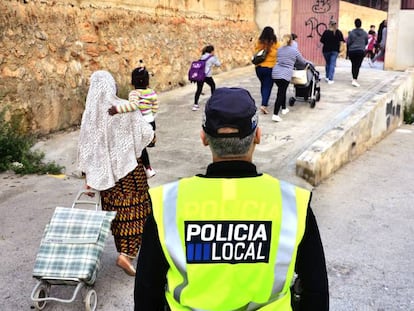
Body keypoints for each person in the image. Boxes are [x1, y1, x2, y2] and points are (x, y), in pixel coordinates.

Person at [134, 87, 329, 311]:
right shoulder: (293, 204)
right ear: (258, 135)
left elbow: (146, 295)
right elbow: (317, 292)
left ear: (204, 138)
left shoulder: (166, 204)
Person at [78, 70, 154, 277]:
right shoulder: (124, 108)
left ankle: (124, 252)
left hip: (107, 178)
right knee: (138, 210)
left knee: (116, 213)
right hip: (130, 173)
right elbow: (147, 135)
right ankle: (127, 255)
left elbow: (86, 148)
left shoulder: (89, 115)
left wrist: (89, 177)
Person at [108, 62, 158, 179]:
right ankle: (147, 165)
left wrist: (117, 109)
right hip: (150, 121)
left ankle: (148, 168)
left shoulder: (134, 94)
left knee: (140, 147)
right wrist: (151, 116)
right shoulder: (151, 92)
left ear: (132, 82)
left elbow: (133, 106)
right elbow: (155, 107)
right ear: (147, 81)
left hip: (139, 123)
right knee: (143, 145)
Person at [271, 34, 310, 122]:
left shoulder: (279, 50)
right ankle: (275, 114)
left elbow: (279, 59)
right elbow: (302, 61)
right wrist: (306, 64)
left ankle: (284, 109)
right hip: (285, 74)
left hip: (276, 73)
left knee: (282, 90)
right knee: (280, 93)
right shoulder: (294, 51)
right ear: (292, 41)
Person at [254, 26, 281, 115]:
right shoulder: (275, 43)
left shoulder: (259, 42)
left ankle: (264, 100)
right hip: (270, 68)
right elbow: (280, 52)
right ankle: (264, 104)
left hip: (259, 68)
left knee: (263, 84)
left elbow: (255, 51)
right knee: (267, 86)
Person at [192, 45, 221, 111]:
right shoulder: (212, 58)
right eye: (214, 51)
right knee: (212, 85)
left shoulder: (203, 56)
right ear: (212, 51)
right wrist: (215, 57)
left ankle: (195, 105)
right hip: (207, 76)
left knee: (199, 89)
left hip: (200, 75)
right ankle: (213, 102)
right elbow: (218, 64)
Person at [320, 19, 345, 84]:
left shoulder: (326, 32)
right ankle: (330, 79)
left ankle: (327, 77)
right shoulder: (338, 32)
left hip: (326, 50)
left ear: (329, 25)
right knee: (332, 64)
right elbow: (342, 41)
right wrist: (341, 50)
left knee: (328, 63)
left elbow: (322, 41)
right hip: (335, 51)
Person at [347, 18, 368, 87]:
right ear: (361, 24)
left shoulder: (351, 33)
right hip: (360, 51)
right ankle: (355, 79)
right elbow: (366, 42)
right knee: (358, 65)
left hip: (352, 51)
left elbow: (348, 42)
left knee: (353, 64)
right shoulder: (365, 33)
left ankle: (354, 77)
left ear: (355, 24)